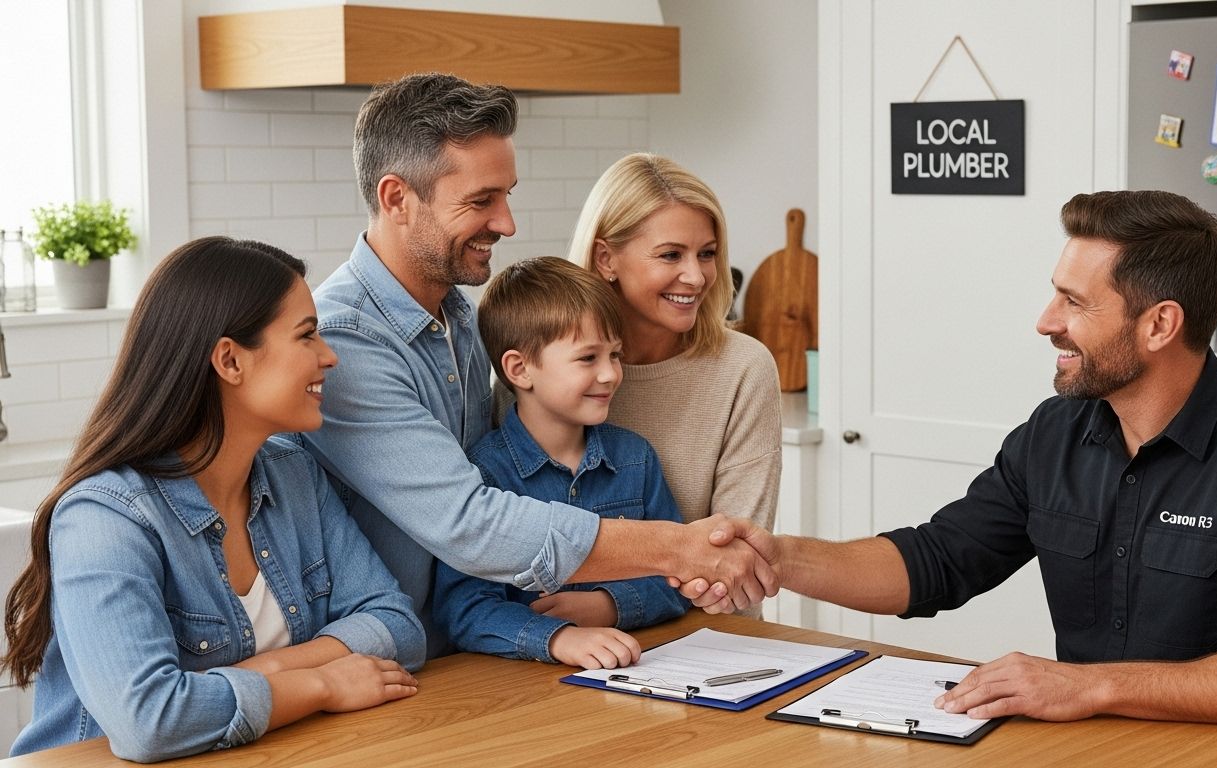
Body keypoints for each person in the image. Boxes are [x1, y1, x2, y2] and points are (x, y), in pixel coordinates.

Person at [690, 190, 1217, 730]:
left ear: (1159, 325)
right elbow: (937, 562)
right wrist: (777, 559)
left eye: (1074, 302)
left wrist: (1091, 685)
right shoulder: (1054, 435)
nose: (1046, 321)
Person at [301, 73, 773, 658]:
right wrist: (678, 549)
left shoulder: (461, 317)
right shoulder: (343, 340)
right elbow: (470, 524)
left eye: (507, 195)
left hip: (474, 658)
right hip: (389, 660)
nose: (507, 223)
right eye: (481, 200)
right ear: (397, 198)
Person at [2, 238, 424, 761]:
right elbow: (149, 721)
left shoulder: (295, 475)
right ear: (230, 360)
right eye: (306, 335)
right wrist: (322, 684)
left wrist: (264, 672)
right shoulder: (105, 517)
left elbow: (396, 624)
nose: (329, 355)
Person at [433, 257, 691, 669]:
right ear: (520, 369)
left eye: (615, 355)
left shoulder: (636, 458)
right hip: (524, 685)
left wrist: (609, 604)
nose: (610, 374)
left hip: (640, 670)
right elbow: (464, 608)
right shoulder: (483, 474)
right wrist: (557, 638)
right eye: (588, 358)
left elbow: (679, 577)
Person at [566, 153, 781, 616]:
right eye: (670, 255)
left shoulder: (744, 368)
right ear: (606, 258)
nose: (697, 276)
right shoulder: (540, 367)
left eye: (707, 253)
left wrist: (609, 603)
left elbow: (734, 567)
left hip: (711, 639)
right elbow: (518, 540)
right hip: (558, 637)